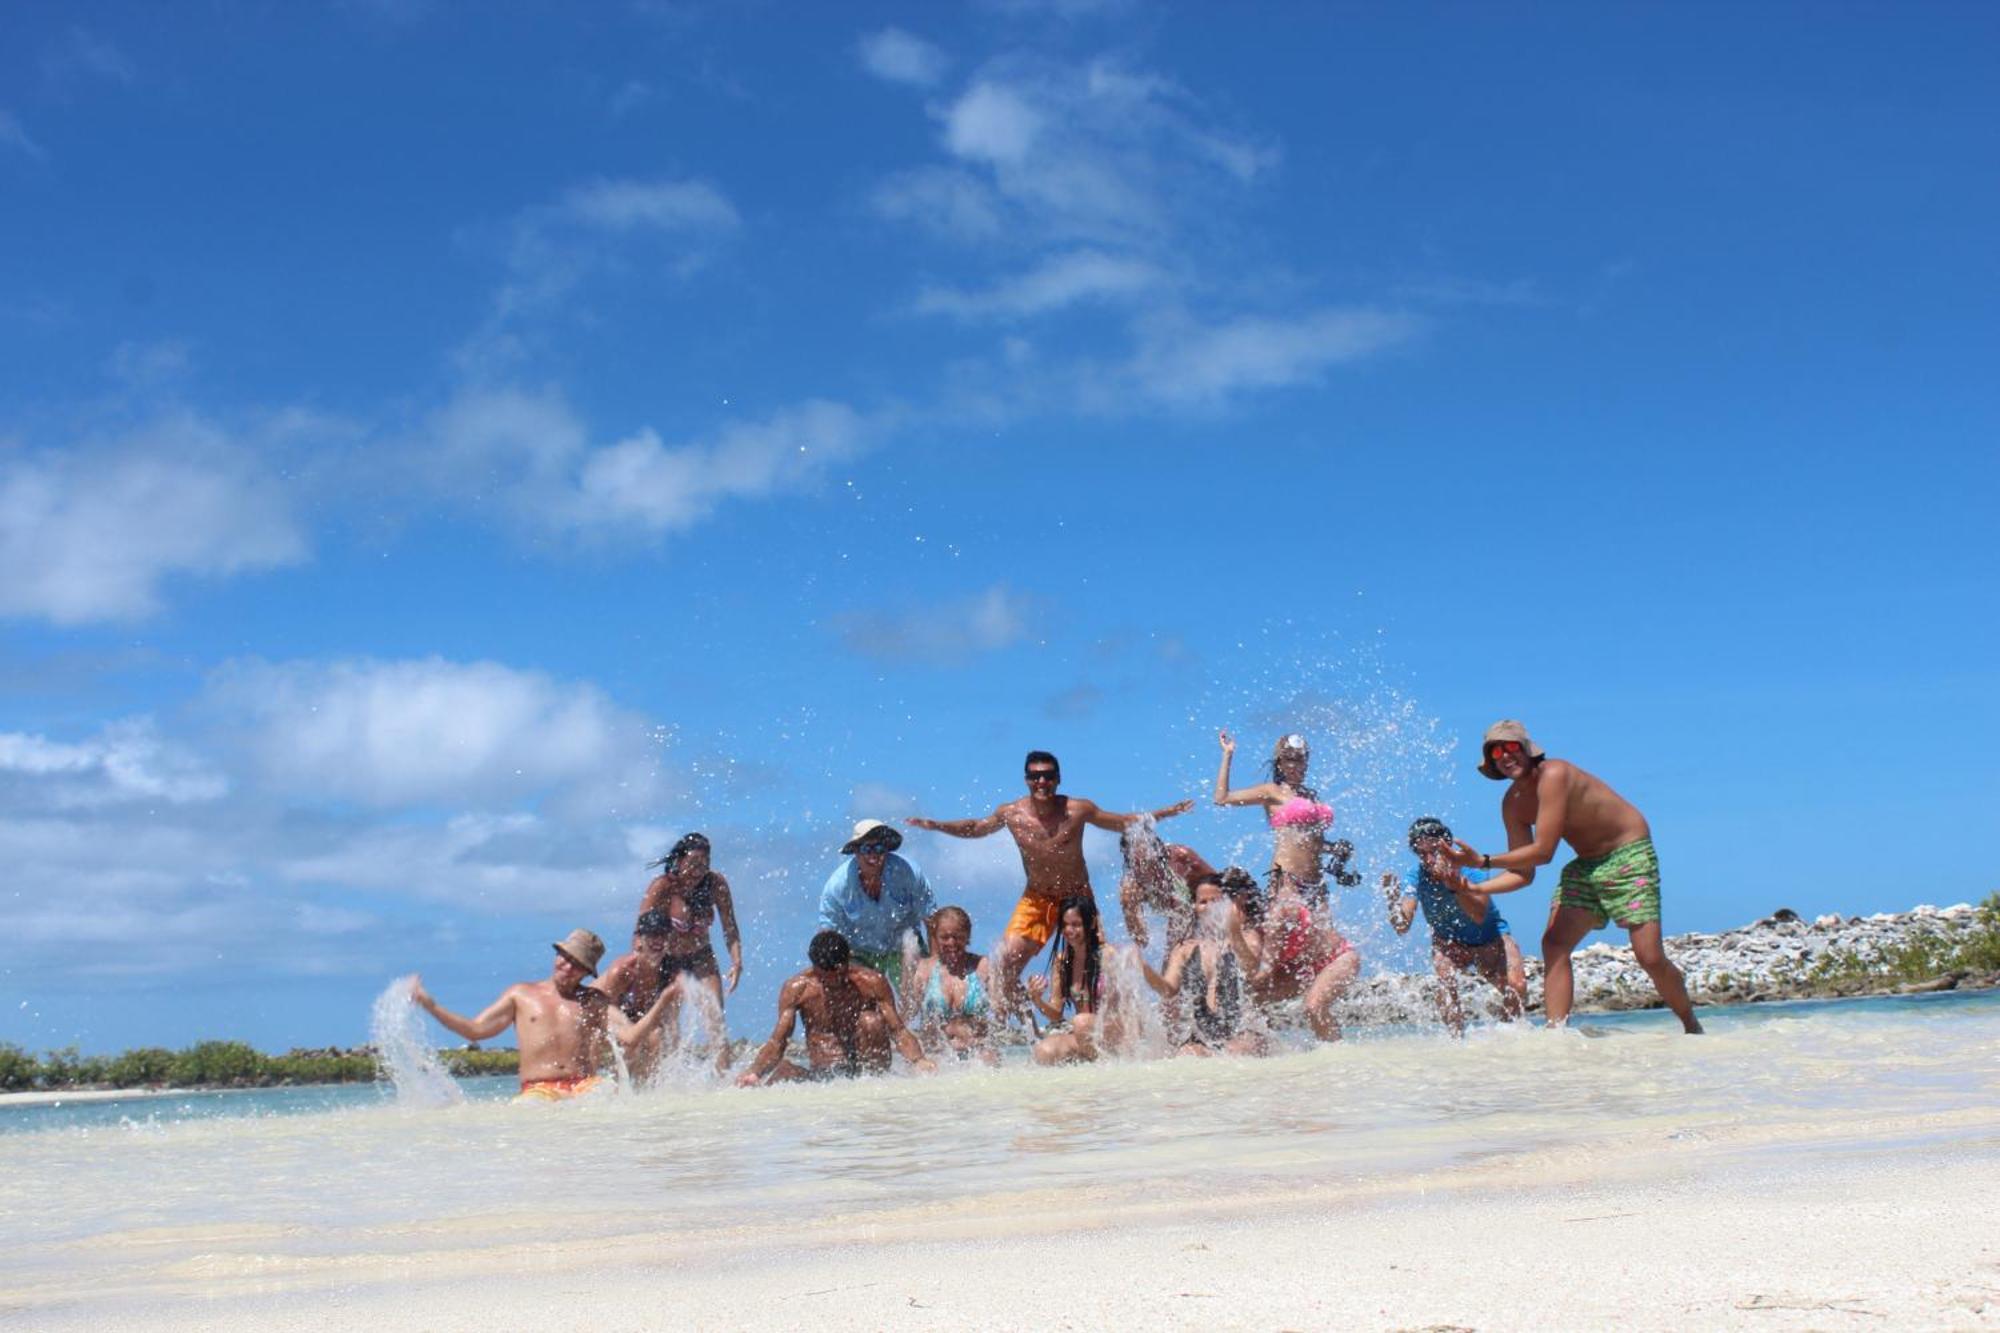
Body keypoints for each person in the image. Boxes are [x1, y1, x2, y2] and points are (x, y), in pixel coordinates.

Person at [1446, 720, 1702, 1034]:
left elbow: (1544, 852)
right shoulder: (1512, 804)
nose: (1504, 755)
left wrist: (1483, 861)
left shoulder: (1555, 774)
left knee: (1648, 956)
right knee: (1554, 944)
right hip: (1587, 864)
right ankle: (1557, 1035)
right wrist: (1473, 887)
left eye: (1511, 747)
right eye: (1496, 751)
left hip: (1628, 853)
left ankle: (1691, 1026)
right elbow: (1522, 873)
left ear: (1527, 750)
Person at [906, 750, 1193, 1012]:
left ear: (1058, 779)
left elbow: (1122, 821)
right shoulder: (1012, 813)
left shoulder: (1077, 810)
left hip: (1077, 896)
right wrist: (938, 825)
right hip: (1037, 898)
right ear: (1026, 780)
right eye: (1034, 776)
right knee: (1005, 960)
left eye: (1047, 775)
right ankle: (1017, 1026)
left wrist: (1164, 813)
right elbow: (977, 827)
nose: (1041, 781)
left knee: (1102, 963)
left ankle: (1110, 1020)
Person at [410, 929, 680, 1099]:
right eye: (565, 957)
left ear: (587, 973)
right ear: (557, 955)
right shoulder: (522, 995)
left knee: (609, 1101)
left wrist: (665, 1000)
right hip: (538, 1089)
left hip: (585, 1085)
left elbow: (630, 1038)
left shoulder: (593, 1001)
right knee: (530, 1114)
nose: (567, 966)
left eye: (577, 964)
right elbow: (475, 1030)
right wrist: (429, 1005)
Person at [1384, 817, 1528, 1035]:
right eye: (1421, 853)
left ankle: (1504, 1036)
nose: (1429, 858)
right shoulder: (1415, 877)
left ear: (1447, 847)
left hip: (1491, 937)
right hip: (1449, 943)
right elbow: (1402, 926)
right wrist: (1392, 901)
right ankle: (1456, 1042)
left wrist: (1453, 883)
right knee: (1446, 987)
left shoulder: (1470, 869)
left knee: (1516, 988)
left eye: (1434, 850)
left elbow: (1479, 914)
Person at [736, 931, 937, 1085]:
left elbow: (898, 1030)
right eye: (825, 977)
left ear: (848, 960)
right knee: (782, 1072)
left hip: (866, 1072)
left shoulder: (872, 982)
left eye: (839, 975)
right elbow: (778, 1041)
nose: (833, 982)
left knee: (871, 1020)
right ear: (813, 965)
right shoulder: (797, 989)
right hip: (823, 1072)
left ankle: (876, 1087)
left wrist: (919, 1060)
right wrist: (754, 1071)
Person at [1213, 730, 1362, 915]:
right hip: (1287, 878)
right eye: (1289, 759)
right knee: (1285, 937)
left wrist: (1335, 850)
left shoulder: (1311, 795)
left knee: (1330, 942)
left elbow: (1308, 840)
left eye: (1300, 759)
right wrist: (1228, 754)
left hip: (1316, 883)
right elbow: (1222, 798)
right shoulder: (1271, 791)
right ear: (1280, 763)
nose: (1295, 765)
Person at [1139, 874, 1270, 1057]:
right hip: (1203, 1035)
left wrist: (1233, 930)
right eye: (1203, 902)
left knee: (1235, 1051)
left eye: (1215, 901)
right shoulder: (1185, 948)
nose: (1209, 907)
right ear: (1195, 907)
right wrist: (1144, 968)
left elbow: (1250, 968)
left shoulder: (1247, 936)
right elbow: (1168, 990)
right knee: (1185, 1055)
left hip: (1245, 1031)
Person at [636, 833, 744, 1046]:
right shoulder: (663, 886)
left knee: (716, 1021)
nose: (698, 871)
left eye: (704, 864)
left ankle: (725, 1078)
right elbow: (640, 931)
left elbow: (730, 928)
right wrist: (644, 968)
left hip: (701, 957)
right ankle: (669, 1076)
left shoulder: (716, 884)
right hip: (668, 962)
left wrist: (737, 962)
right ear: (679, 860)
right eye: (693, 864)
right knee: (670, 1027)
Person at [1240, 865, 1359, 1043]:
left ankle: (1338, 1056)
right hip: (1303, 968)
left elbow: (1262, 974)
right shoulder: (1246, 931)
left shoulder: (1276, 918)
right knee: (1249, 1000)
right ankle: (1266, 1050)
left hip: (1337, 958)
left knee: (1314, 1006)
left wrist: (1232, 934)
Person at [818, 819, 936, 992]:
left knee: (924, 995)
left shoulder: (908, 873)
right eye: (867, 849)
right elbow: (828, 935)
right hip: (859, 951)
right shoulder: (837, 886)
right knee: (864, 1010)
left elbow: (931, 918)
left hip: (903, 945)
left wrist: (934, 962)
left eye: (880, 849)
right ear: (856, 852)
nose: (874, 855)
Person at [1026, 896, 1118, 1065]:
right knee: (1043, 1051)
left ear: (1090, 924)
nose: (1069, 930)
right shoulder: (1062, 962)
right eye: (1065, 925)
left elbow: (1123, 1008)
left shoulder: (1108, 956)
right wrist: (1037, 999)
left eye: (1076, 924)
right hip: (1083, 1034)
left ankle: (1106, 1070)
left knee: (1081, 1022)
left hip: (1114, 1031)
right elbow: (1055, 1014)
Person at [904, 906, 997, 1065]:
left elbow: (1000, 1011)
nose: (951, 942)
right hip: (936, 1055)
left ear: (968, 937)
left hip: (977, 1054)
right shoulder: (924, 970)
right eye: (944, 937)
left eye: (957, 937)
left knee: (988, 1060)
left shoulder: (983, 967)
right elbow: (906, 1017)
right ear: (935, 937)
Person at [591, 910, 678, 1079]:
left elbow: (672, 1023)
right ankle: (607, 1087)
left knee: (657, 1037)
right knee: (629, 1038)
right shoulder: (623, 970)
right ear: (639, 940)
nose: (658, 940)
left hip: (630, 1017)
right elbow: (605, 1011)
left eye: (663, 935)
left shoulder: (671, 974)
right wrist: (632, 1031)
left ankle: (648, 1089)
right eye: (652, 935)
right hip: (599, 1008)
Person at [1117, 819, 1216, 954]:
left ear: (1157, 850)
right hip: (1179, 920)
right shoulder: (1133, 886)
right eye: (1137, 863)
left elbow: (1219, 883)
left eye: (1147, 861)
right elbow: (1141, 941)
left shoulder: (1180, 857)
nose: (1143, 868)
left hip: (1208, 911)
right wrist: (1129, 909)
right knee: (1172, 959)